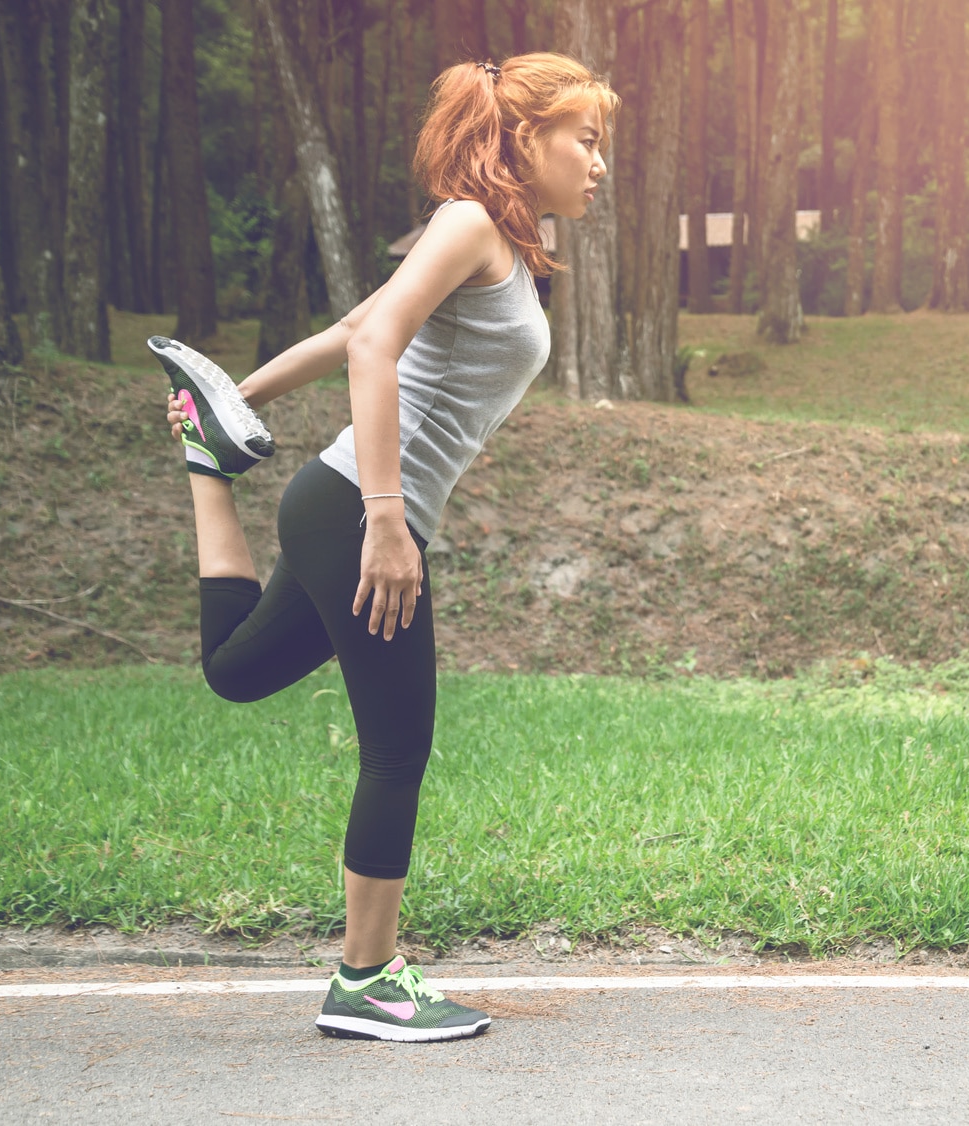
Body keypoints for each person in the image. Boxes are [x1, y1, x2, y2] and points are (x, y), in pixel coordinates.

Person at [150, 53, 616, 1042]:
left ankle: (207, 463)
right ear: (525, 138)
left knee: (237, 673)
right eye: (584, 137)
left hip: (335, 503)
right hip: (357, 510)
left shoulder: (489, 240)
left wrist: (231, 404)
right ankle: (366, 980)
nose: (597, 161)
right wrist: (390, 516)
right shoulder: (468, 221)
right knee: (397, 747)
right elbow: (374, 348)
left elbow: (355, 325)